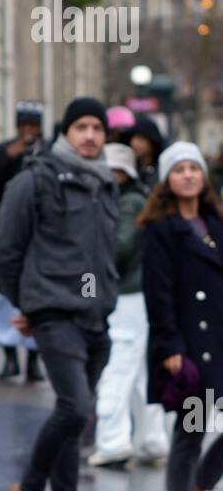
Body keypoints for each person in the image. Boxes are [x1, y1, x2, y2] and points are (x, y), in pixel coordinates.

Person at [0, 96, 121, 491]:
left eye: (98, 128)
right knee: (74, 408)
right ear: (65, 132)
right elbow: (3, 253)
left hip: (95, 318)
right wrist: (30, 304)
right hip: (55, 313)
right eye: (81, 126)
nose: (90, 135)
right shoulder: (35, 179)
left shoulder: (105, 184)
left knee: (74, 416)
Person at [139, 140, 223, 491]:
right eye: (178, 169)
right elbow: (159, 292)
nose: (188, 174)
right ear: (167, 180)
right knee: (190, 430)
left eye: (194, 167)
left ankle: (197, 489)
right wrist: (170, 344)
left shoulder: (215, 223)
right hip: (188, 349)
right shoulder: (160, 230)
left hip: (219, 343)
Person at [89, 142, 168, 467]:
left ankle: (112, 441)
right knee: (137, 371)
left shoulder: (126, 202)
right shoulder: (134, 200)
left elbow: (118, 249)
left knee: (119, 366)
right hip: (134, 294)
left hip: (126, 294)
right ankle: (150, 440)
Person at [0, 100, 45, 382]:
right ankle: (8, 357)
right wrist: (9, 156)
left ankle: (33, 359)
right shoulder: (0, 151)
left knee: (37, 295)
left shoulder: (48, 153)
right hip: (5, 233)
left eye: (34, 126)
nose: (29, 131)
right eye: (24, 125)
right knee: (5, 295)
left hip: (40, 236)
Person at [123, 115, 165, 190]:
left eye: (141, 139)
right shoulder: (127, 169)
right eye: (133, 138)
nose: (134, 143)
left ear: (152, 142)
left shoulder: (162, 170)